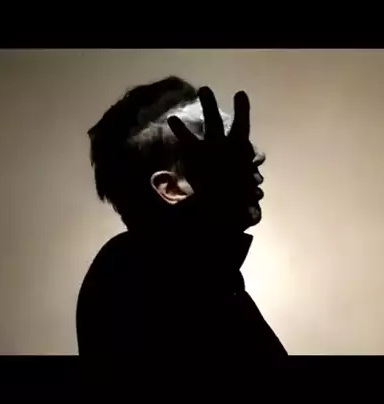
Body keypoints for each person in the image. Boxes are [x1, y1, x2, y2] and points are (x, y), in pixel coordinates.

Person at [77, 76, 287, 357]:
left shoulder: (212, 278)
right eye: (219, 144)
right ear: (171, 188)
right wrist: (218, 212)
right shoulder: (133, 282)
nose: (256, 155)